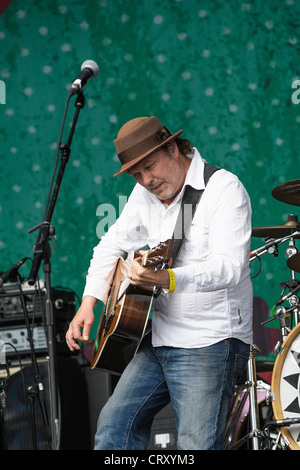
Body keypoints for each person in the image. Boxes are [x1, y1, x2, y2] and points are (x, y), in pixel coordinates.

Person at [65, 115, 253, 450]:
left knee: (195, 446)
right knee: (113, 428)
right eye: (137, 174)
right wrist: (89, 303)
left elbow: (229, 268)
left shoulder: (223, 188)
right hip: (161, 338)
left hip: (210, 341)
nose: (146, 180)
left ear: (173, 148)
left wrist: (166, 278)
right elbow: (110, 245)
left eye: (149, 167)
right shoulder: (144, 194)